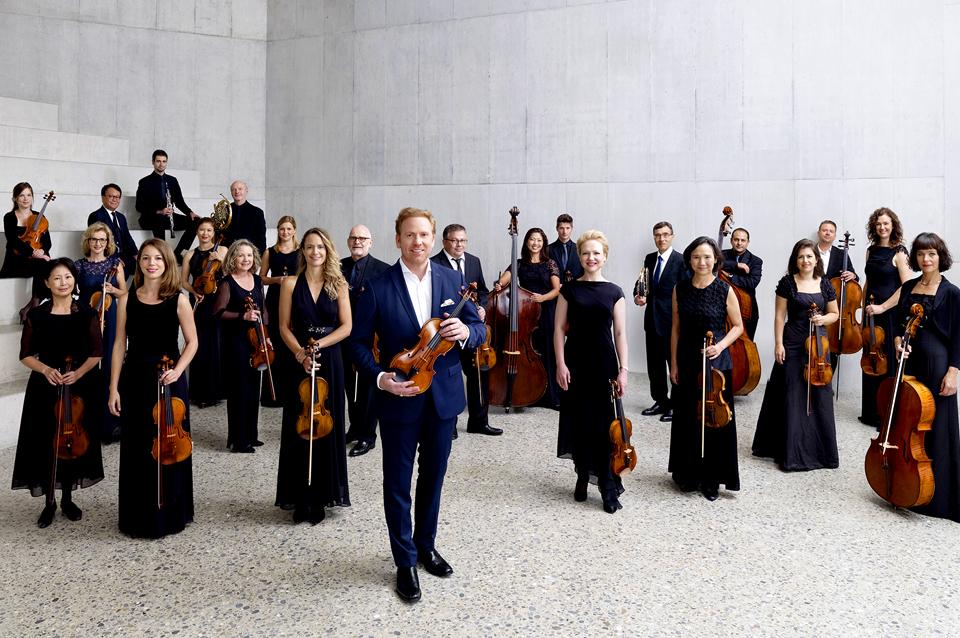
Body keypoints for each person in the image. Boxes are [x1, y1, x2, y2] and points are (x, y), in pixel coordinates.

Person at [349, 207, 485, 603]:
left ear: (434, 238)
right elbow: (357, 343)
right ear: (398, 239)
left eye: (424, 234)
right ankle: (405, 560)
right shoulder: (378, 285)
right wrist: (379, 378)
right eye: (410, 235)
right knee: (397, 483)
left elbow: (478, 328)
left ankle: (425, 546)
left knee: (433, 478)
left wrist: (466, 333)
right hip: (399, 398)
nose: (418, 241)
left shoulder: (452, 278)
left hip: (442, 398)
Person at [109, 240, 197, 538]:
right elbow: (120, 344)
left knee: (170, 446)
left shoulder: (179, 299)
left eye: (157, 258)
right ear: (140, 263)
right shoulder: (127, 300)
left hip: (169, 380)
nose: (151, 263)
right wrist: (113, 387)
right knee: (137, 447)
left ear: (166, 262)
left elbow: (193, 341)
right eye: (146, 258)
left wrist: (178, 371)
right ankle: (138, 516)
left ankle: (171, 513)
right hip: (135, 379)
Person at [12, 258, 104, 528]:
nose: (63, 283)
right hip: (45, 387)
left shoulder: (87, 313)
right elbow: (25, 355)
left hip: (79, 385)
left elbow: (96, 353)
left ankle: (66, 498)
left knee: (73, 443)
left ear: (74, 281)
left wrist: (79, 372)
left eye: (67, 278)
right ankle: (48, 502)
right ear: (47, 283)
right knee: (44, 440)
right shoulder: (37, 315)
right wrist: (45, 370)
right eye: (57, 278)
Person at [276, 228, 351, 524]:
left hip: (329, 358)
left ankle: (321, 496)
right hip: (300, 359)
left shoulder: (338, 284)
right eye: (309, 247)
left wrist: (318, 346)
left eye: (320, 247)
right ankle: (300, 497)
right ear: (302, 251)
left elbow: (346, 327)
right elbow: (284, 326)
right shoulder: (290, 284)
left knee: (326, 426)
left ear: (327, 250)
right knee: (299, 427)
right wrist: (300, 354)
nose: (315, 252)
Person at [555, 230, 628, 513]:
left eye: (596, 253)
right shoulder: (569, 290)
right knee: (579, 421)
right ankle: (582, 475)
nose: (591, 257)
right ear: (580, 256)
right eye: (586, 253)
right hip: (575, 363)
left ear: (605, 256)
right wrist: (560, 364)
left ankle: (608, 487)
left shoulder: (615, 291)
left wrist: (624, 370)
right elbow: (559, 330)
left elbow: (620, 333)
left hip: (604, 364)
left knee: (604, 426)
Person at [752, 239, 840, 471]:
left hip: (818, 345)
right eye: (801, 257)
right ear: (796, 260)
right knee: (792, 393)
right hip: (792, 341)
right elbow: (780, 316)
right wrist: (778, 344)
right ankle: (790, 452)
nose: (806, 261)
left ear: (816, 259)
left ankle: (820, 452)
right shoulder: (787, 283)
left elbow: (835, 314)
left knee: (819, 396)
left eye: (809, 256)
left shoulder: (825, 284)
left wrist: (822, 319)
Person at [668, 237, 743, 501]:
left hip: (715, 361)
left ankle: (713, 478)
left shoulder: (724, 289)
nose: (702, 262)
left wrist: (720, 346)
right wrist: (674, 364)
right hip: (688, 359)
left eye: (707, 257)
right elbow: (675, 329)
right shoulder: (680, 288)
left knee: (715, 420)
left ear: (716, 260)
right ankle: (688, 473)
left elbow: (738, 326)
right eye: (697, 257)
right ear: (689, 260)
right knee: (688, 416)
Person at [893, 233, 960, 523]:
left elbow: (959, 335)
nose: (926, 259)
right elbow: (898, 321)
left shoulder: (952, 292)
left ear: (939, 256)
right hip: (911, 363)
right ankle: (909, 486)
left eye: (931, 254)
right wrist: (898, 341)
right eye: (921, 254)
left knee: (938, 427)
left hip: (938, 365)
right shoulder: (909, 286)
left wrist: (954, 371)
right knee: (908, 425)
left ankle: (939, 497)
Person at [431, 223, 500, 437]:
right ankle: (448, 425)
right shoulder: (433, 263)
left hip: (468, 329)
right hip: (445, 330)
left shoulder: (473, 261)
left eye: (463, 240)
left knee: (479, 374)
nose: (459, 244)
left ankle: (479, 422)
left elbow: (483, 291)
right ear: (445, 242)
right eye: (455, 240)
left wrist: (480, 307)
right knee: (447, 377)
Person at [493, 227, 562, 409]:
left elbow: (556, 289)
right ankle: (527, 392)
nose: (535, 243)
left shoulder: (550, 264)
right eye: (532, 239)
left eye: (539, 240)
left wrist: (542, 298)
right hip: (525, 314)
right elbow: (505, 279)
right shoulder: (519, 263)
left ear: (543, 243)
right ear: (526, 242)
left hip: (545, 311)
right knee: (527, 353)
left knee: (547, 351)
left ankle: (551, 396)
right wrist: (499, 284)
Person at [213, 240, 269, 453]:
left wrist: (266, 335)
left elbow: (263, 310)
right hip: (236, 344)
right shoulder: (227, 282)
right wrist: (242, 315)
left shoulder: (256, 279)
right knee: (239, 391)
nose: (245, 259)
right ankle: (238, 440)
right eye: (240, 255)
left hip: (256, 342)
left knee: (254, 388)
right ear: (233, 258)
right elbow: (218, 313)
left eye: (249, 255)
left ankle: (251, 435)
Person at [75, 223, 127, 443]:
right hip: (88, 318)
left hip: (111, 316)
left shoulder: (115, 264)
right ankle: (88, 422)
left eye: (102, 240)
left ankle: (110, 423)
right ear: (88, 241)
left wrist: (113, 290)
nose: (98, 243)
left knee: (109, 365)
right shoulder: (79, 266)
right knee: (88, 367)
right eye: (94, 239)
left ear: (108, 243)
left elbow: (124, 291)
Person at [340, 224, 390, 455]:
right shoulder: (337, 266)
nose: (357, 241)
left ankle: (367, 436)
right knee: (350, 387)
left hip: (371, 340)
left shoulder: (383, 270)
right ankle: (354, 427)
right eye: (353, 238)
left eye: (362, 238)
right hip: (342, 336)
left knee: (369, 387)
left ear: (371, 242)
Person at [859, 208, 911, 427]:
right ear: (874, 226)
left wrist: (881, 308)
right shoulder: (870, 251)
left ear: (893, 225)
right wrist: (862, 309)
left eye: (886, 223)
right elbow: (868, 282)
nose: (882, 227)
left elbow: (906, 287)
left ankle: (887, 414)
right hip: (871, 314)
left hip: (890, 314)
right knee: (871, 361)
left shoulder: (900, 252)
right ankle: (871, 411)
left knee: (887, 361)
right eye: (878, 224)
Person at [635, 221, 686, 422]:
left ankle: (676, 405)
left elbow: (685, 292)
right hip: (652, 322)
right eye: (657, 235)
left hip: (673, 323)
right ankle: (661, 401)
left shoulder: (681, 261)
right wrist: (638, 295)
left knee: (675, 365)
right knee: (654, 366)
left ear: (672, 236)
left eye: (665, 234)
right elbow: (642, 283)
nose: (661, 238)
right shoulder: (649, 258)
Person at [180, 218, 228, 408]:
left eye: (209, 230)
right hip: (199, 299)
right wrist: (194, 292)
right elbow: (183, 281)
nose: (205, 234)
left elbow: (231, 274)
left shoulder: (222, 250)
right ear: (197, 232)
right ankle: (199, 392)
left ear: (213, 233)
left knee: (216, 343)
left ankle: (216, 391)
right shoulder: (190, 255)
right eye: (202, 230)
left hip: (218, 300)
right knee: (198, 343)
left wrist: (221, 262)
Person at [260, 216, 300, 408]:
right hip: (275, 298)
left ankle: (293, 393)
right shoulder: (270, 252)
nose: (285, 232)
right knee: (275, 342)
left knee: (292, 341)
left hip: (295, 298)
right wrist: (276, 280)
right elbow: (261, 278)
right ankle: (273, 396)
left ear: (294, 230)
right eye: (281, 229)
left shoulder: (301, 252)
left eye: (288, 228)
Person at [135, 149, 199, 261]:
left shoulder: (172, 180)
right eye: (158, 161)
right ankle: (163, 254)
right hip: (150, 218)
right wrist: (159, 211)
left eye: (164, 161)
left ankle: (177, 255)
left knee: (196, 222)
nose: (161, 164)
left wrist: (190, 212)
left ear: (166, 162)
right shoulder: (144, 182)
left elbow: (179, 202)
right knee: (158, 219)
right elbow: (139, 206)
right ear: (153, 162)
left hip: (168, 217)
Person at [1, 182, 52, 323]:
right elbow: (13, 241)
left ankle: (31, 307)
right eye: (21, 195)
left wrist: (43, 250)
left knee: (52, 266)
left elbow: (47, 242)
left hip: (35, 260)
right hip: (15, 260)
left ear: (32, 197)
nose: (25, 198)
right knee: (44, 265)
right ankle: (35, 310)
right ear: (15, 199)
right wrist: (33, 252)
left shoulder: (39, 216)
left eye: (29, 195)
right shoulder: (9, 217)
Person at [816, 219, 859, 371]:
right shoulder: (810, 252)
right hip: (813, 301)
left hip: (834, 303)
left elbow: (855, 277)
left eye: (831, 231)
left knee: (832, 344)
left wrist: (852, 274)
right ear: (819, 233)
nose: (827, 233)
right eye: (824, 230)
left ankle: (826, 380)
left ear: (834, 235)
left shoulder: (841, 254)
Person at [720, 228, 763, 340]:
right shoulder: (721, 255)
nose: (739, 243)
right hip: (723, 310)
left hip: (746, 310)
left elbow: (752, 283)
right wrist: (736, 265)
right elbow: (714, 263)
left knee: (746, 344)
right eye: (736, 239)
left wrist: (730, 276)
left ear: (748, 242)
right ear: (731, 241)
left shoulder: (756, 261)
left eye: (743, 240)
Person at [88, 183, 138, 273]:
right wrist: (114, 259)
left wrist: (136, 254)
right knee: (121, 271)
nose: (114, 199)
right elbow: (98, 242)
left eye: (117, 197)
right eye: (111, 196)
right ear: (103, 198)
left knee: (144, 267)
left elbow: (127, 238)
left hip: (124, 255)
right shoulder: (95, 216)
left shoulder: (121, 217)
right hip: (108, 257)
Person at [221, 180, 267, 255]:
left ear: (246, 191)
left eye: (240, 189)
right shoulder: (224, 211)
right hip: (228, 254)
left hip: (249, 255)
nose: (237, 191)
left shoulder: (257, 212)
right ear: (231, 192)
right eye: (234, 189)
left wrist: (258, 258)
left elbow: (261, 239)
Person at [548, 213, 584, 283]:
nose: (565, 232)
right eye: (561, 228)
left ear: (572, 229)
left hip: (576, 290)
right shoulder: (548, 249)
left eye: (568, 228)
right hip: (554, 291)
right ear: (557, 229)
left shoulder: (580, 248)